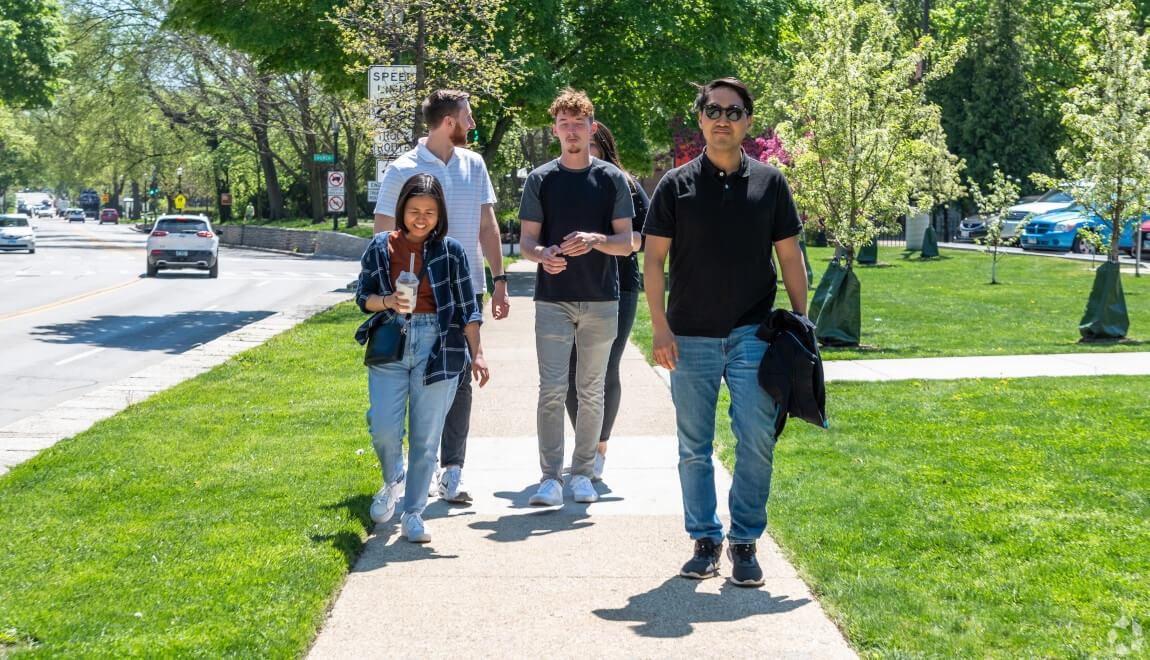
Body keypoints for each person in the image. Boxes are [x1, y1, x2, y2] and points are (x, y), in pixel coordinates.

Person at [643, 78, 809, 587]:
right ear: (700, 119)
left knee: (756, 437)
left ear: (747, 122)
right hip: (688, 336)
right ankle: (705, 539)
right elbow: (652, 261)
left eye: (733, 111)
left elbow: (789, 256)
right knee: (693, 444)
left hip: (751, 333)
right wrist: (660, 327)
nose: (722, 118)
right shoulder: (675, 185)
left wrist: (802, 325)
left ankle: (744, 541)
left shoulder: (770, 184)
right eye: (712, 110)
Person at [374, 89, 510, 504]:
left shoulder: (475, 164)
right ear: (449, 122)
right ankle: (418, 467)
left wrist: (499, 279)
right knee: (417, 377)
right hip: (416, 296)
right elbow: (383, 233)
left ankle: (452, 469)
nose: (472, 124)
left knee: (459, 377)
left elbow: (488, 227)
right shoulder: (403, 169)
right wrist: (391, 292)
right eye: (467, 117)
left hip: (466, 288)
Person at [518, 89, 639, 507]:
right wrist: (543, 255)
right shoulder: (541, 180)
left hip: (602, 299)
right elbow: (526, 244)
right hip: (552, 299)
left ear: (592, 128)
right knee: (551, 389)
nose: (572, 131)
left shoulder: (610, 179)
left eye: (579, 124)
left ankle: (583, 473)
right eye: (564, 124)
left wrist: (597, 239)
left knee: (591, 390)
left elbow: (629, 242)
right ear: (555, 130)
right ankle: (550, 478)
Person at [357, 173, 489, 543]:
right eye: (414, 210)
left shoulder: (452, 252)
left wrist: (477, 356)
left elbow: (468, 311)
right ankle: (392, 478)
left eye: (429, 211)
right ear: (401, 210)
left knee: (426, 437)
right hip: (392, 339)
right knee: (383, 425)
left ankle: (413, 513)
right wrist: (387, 302)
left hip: (439, 344)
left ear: (440, 214)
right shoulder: (381, 246)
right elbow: (362, 296)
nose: (421, 217)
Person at [564, 121, 649, 481]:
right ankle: (585, 444)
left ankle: (599, 447)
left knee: (604, 367)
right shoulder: (563, 180)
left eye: (594, 148)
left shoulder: (625, 184)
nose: (588, 155)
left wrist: (610, 241)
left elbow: (647, 235)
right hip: (570, 286)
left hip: (619, 286)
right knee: (570, 372)